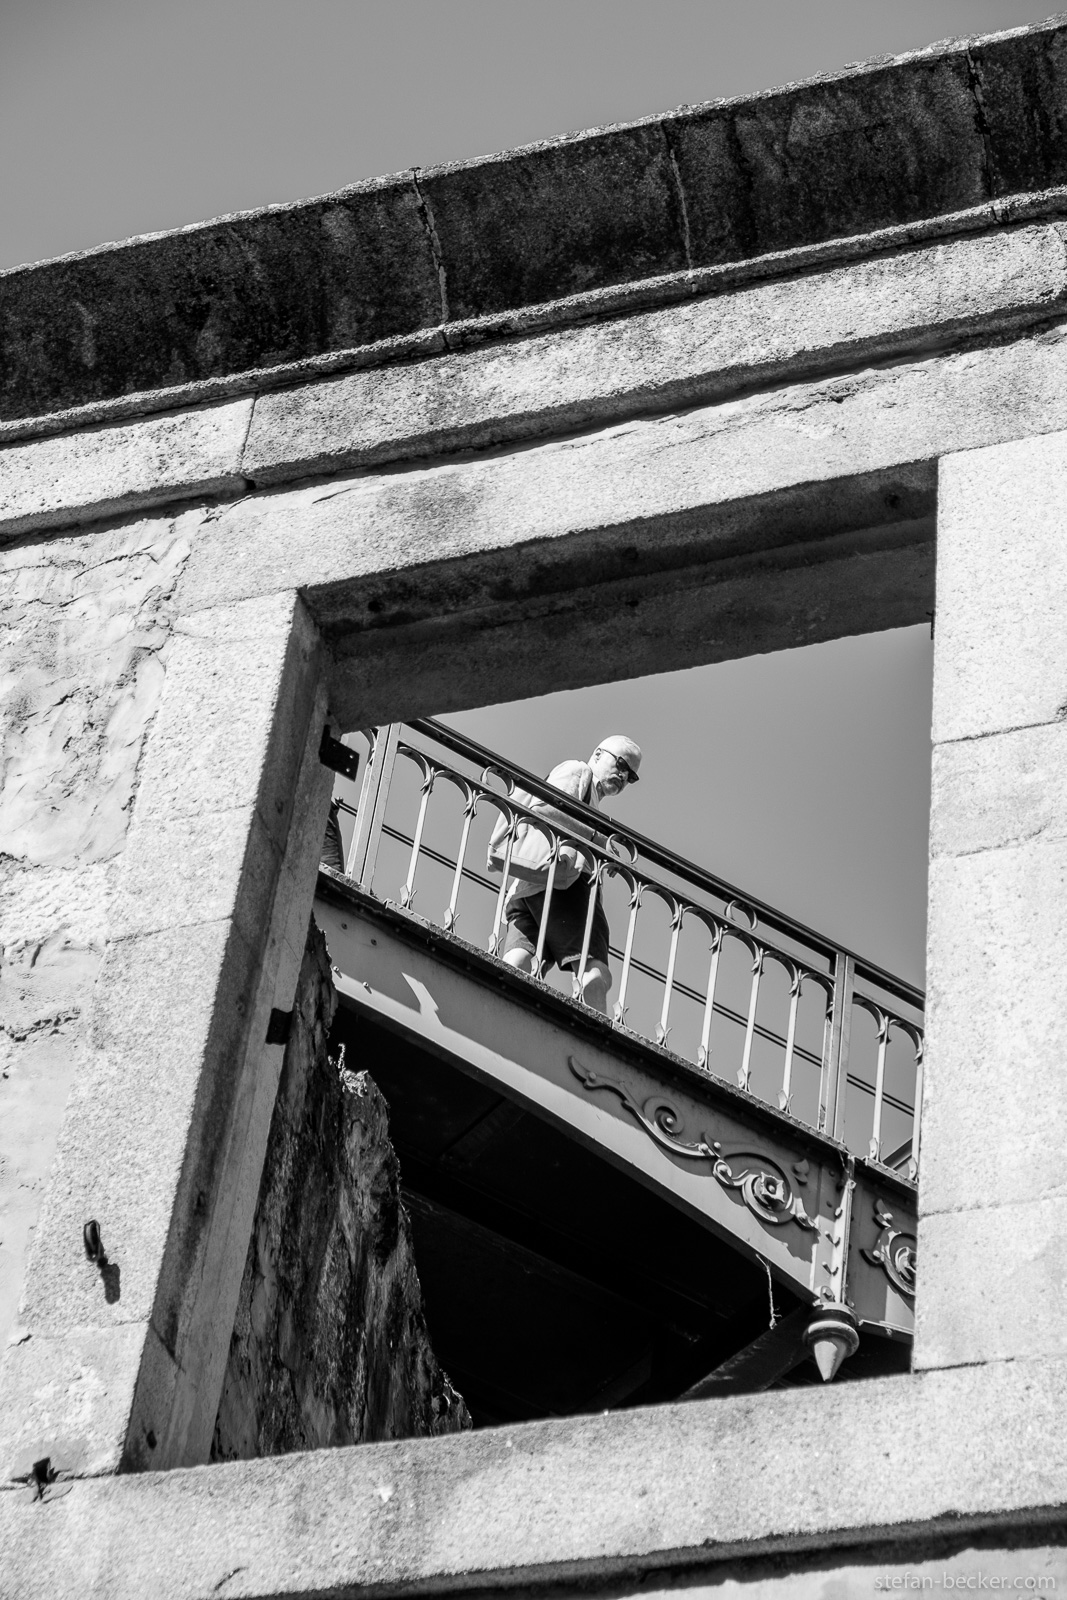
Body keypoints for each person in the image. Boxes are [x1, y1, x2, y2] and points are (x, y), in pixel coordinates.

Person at [489, 736, 642, 1015]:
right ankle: (595, 1035)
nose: (623, 776)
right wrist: (600, 842)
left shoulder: (589, 793)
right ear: (598, 754)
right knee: (594, 971)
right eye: (621, 764)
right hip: (565, 885)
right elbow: (546, 811)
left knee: (521, 961)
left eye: (630, 776)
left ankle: (498, 1011)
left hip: (531, 888)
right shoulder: (578, 771)